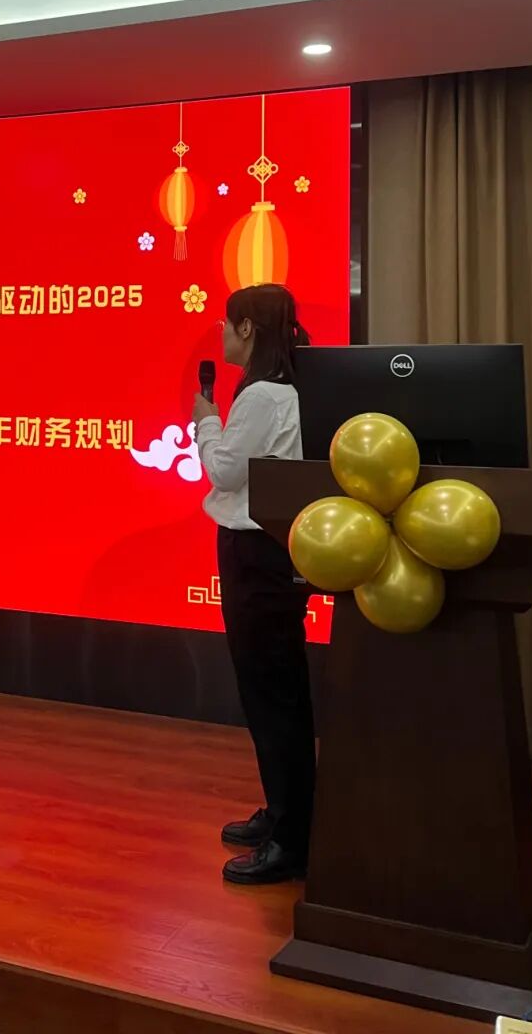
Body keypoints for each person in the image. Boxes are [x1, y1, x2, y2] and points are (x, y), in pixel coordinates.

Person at [192, 283, 315, 885]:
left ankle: (292, 838)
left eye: (227, 323)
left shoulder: (264, 395)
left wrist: (206, 422)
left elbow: (222, 470)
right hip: (264, 550)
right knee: (271, 689)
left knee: (271, 692)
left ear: (247, 329)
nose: (220, 332)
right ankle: (283, 813)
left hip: (257, 554)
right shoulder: (276, 389)